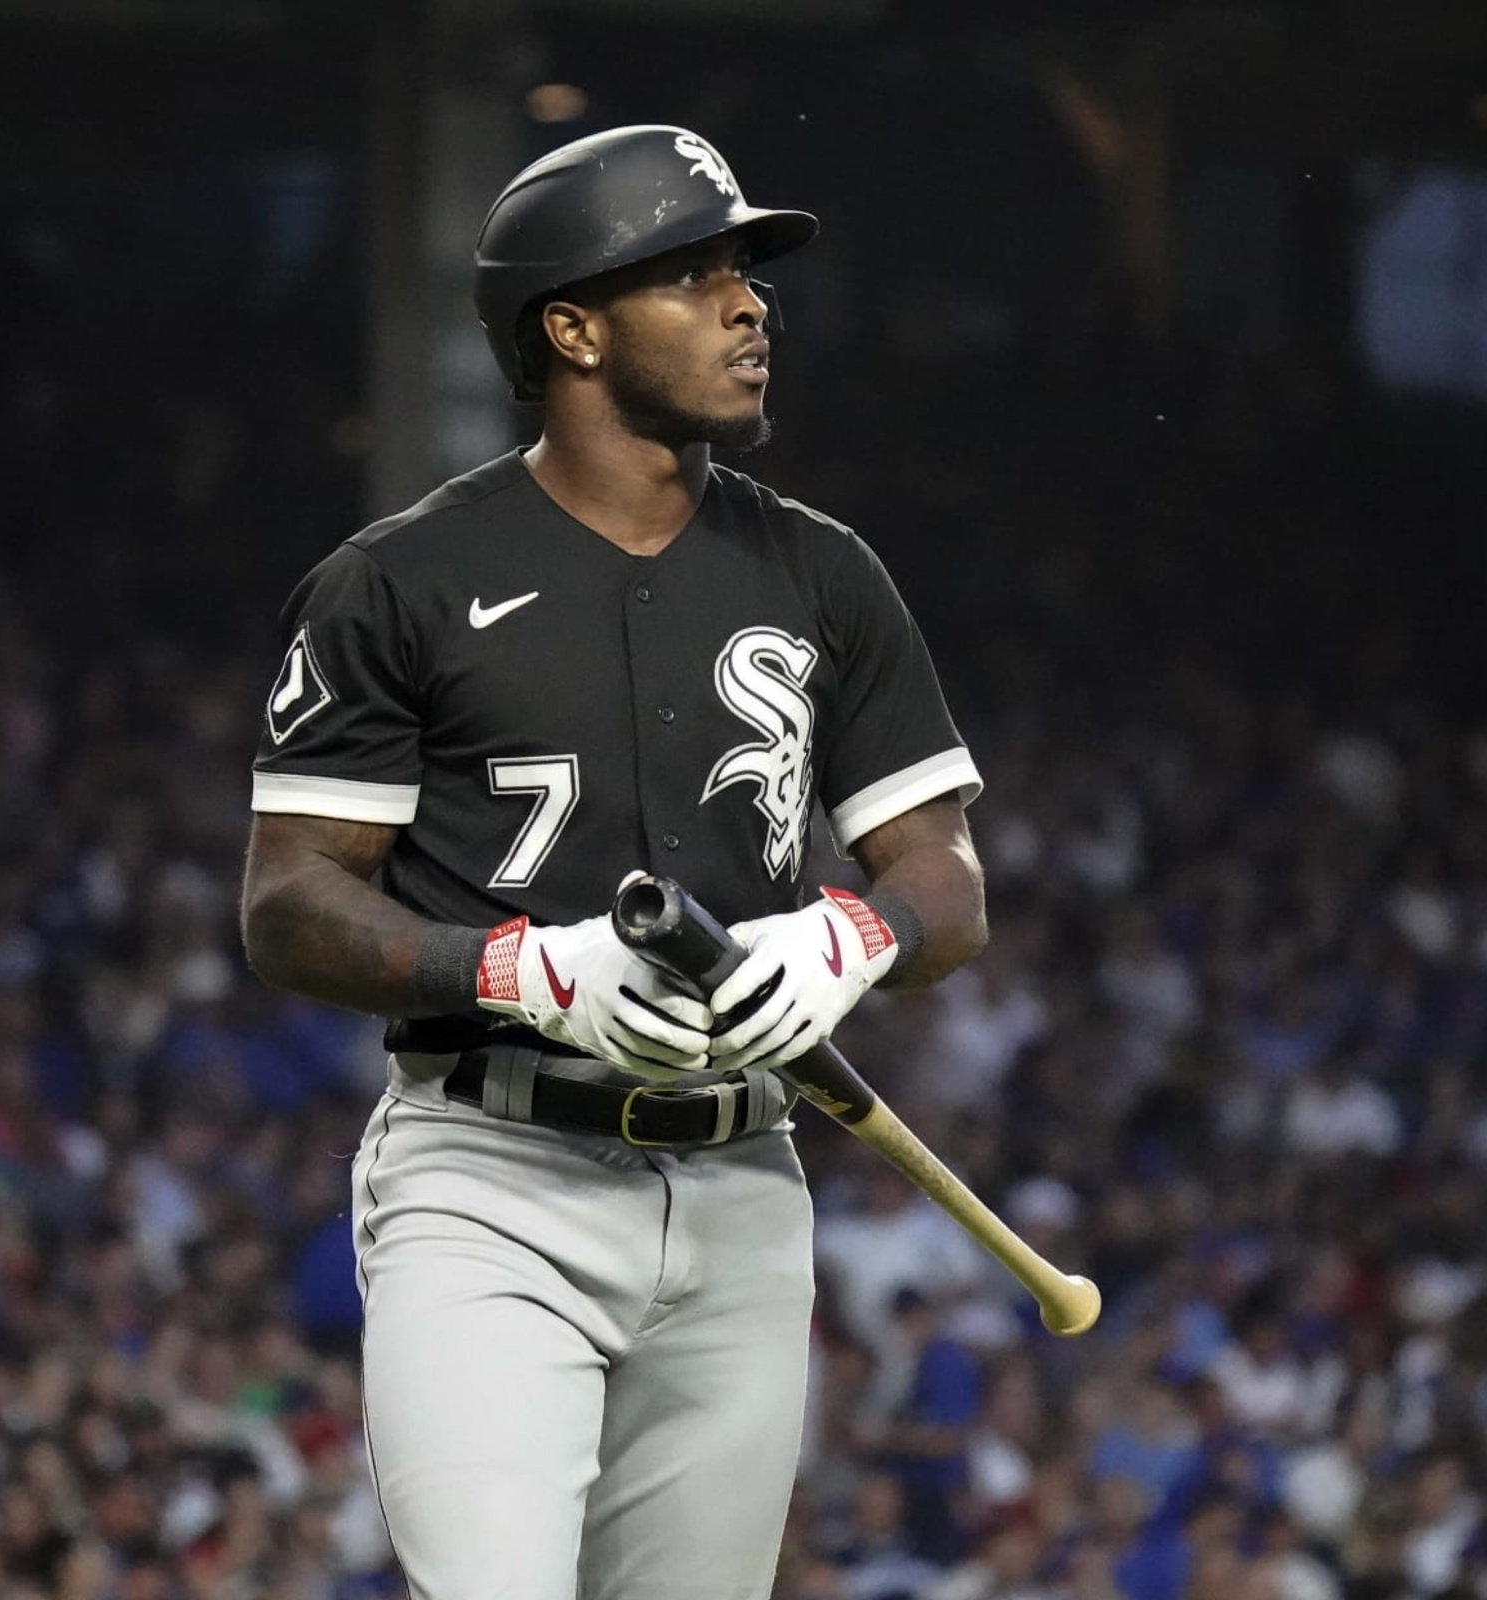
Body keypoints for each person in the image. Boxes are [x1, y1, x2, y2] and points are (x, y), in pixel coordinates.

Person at [240, 123, 988, 1600]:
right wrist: (519, 968)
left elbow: (945, 874)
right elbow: (286, 906)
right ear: (570, 328)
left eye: (748, 275)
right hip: (488, 1178)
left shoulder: (827, 571)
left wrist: (851, 938)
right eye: (696, 273)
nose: (750, 304)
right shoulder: (396, 580)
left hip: (740, 1183)